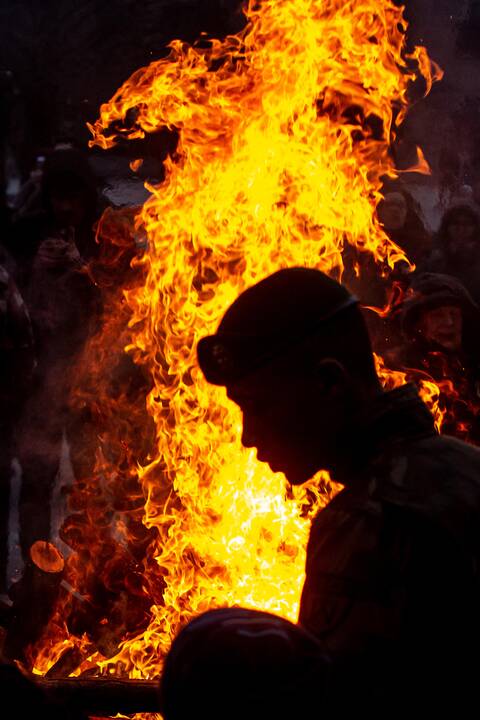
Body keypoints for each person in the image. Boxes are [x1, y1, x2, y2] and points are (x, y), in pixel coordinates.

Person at [164, 266, 480, 716]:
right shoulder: (467, 465)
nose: (248, 436)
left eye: (256, 406)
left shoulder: (366, 524)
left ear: (329, 382)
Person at [384, 272, 480, 443]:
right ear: (419, 325)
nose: (449, 323)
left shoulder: (475, 362)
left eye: (454, 314)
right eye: (438, 316)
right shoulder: (400, 373)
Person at [426, 202, 480, 304]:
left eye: (467, 224)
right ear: (447, 227)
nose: (461, 229)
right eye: (456, 223)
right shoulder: (434, 257)